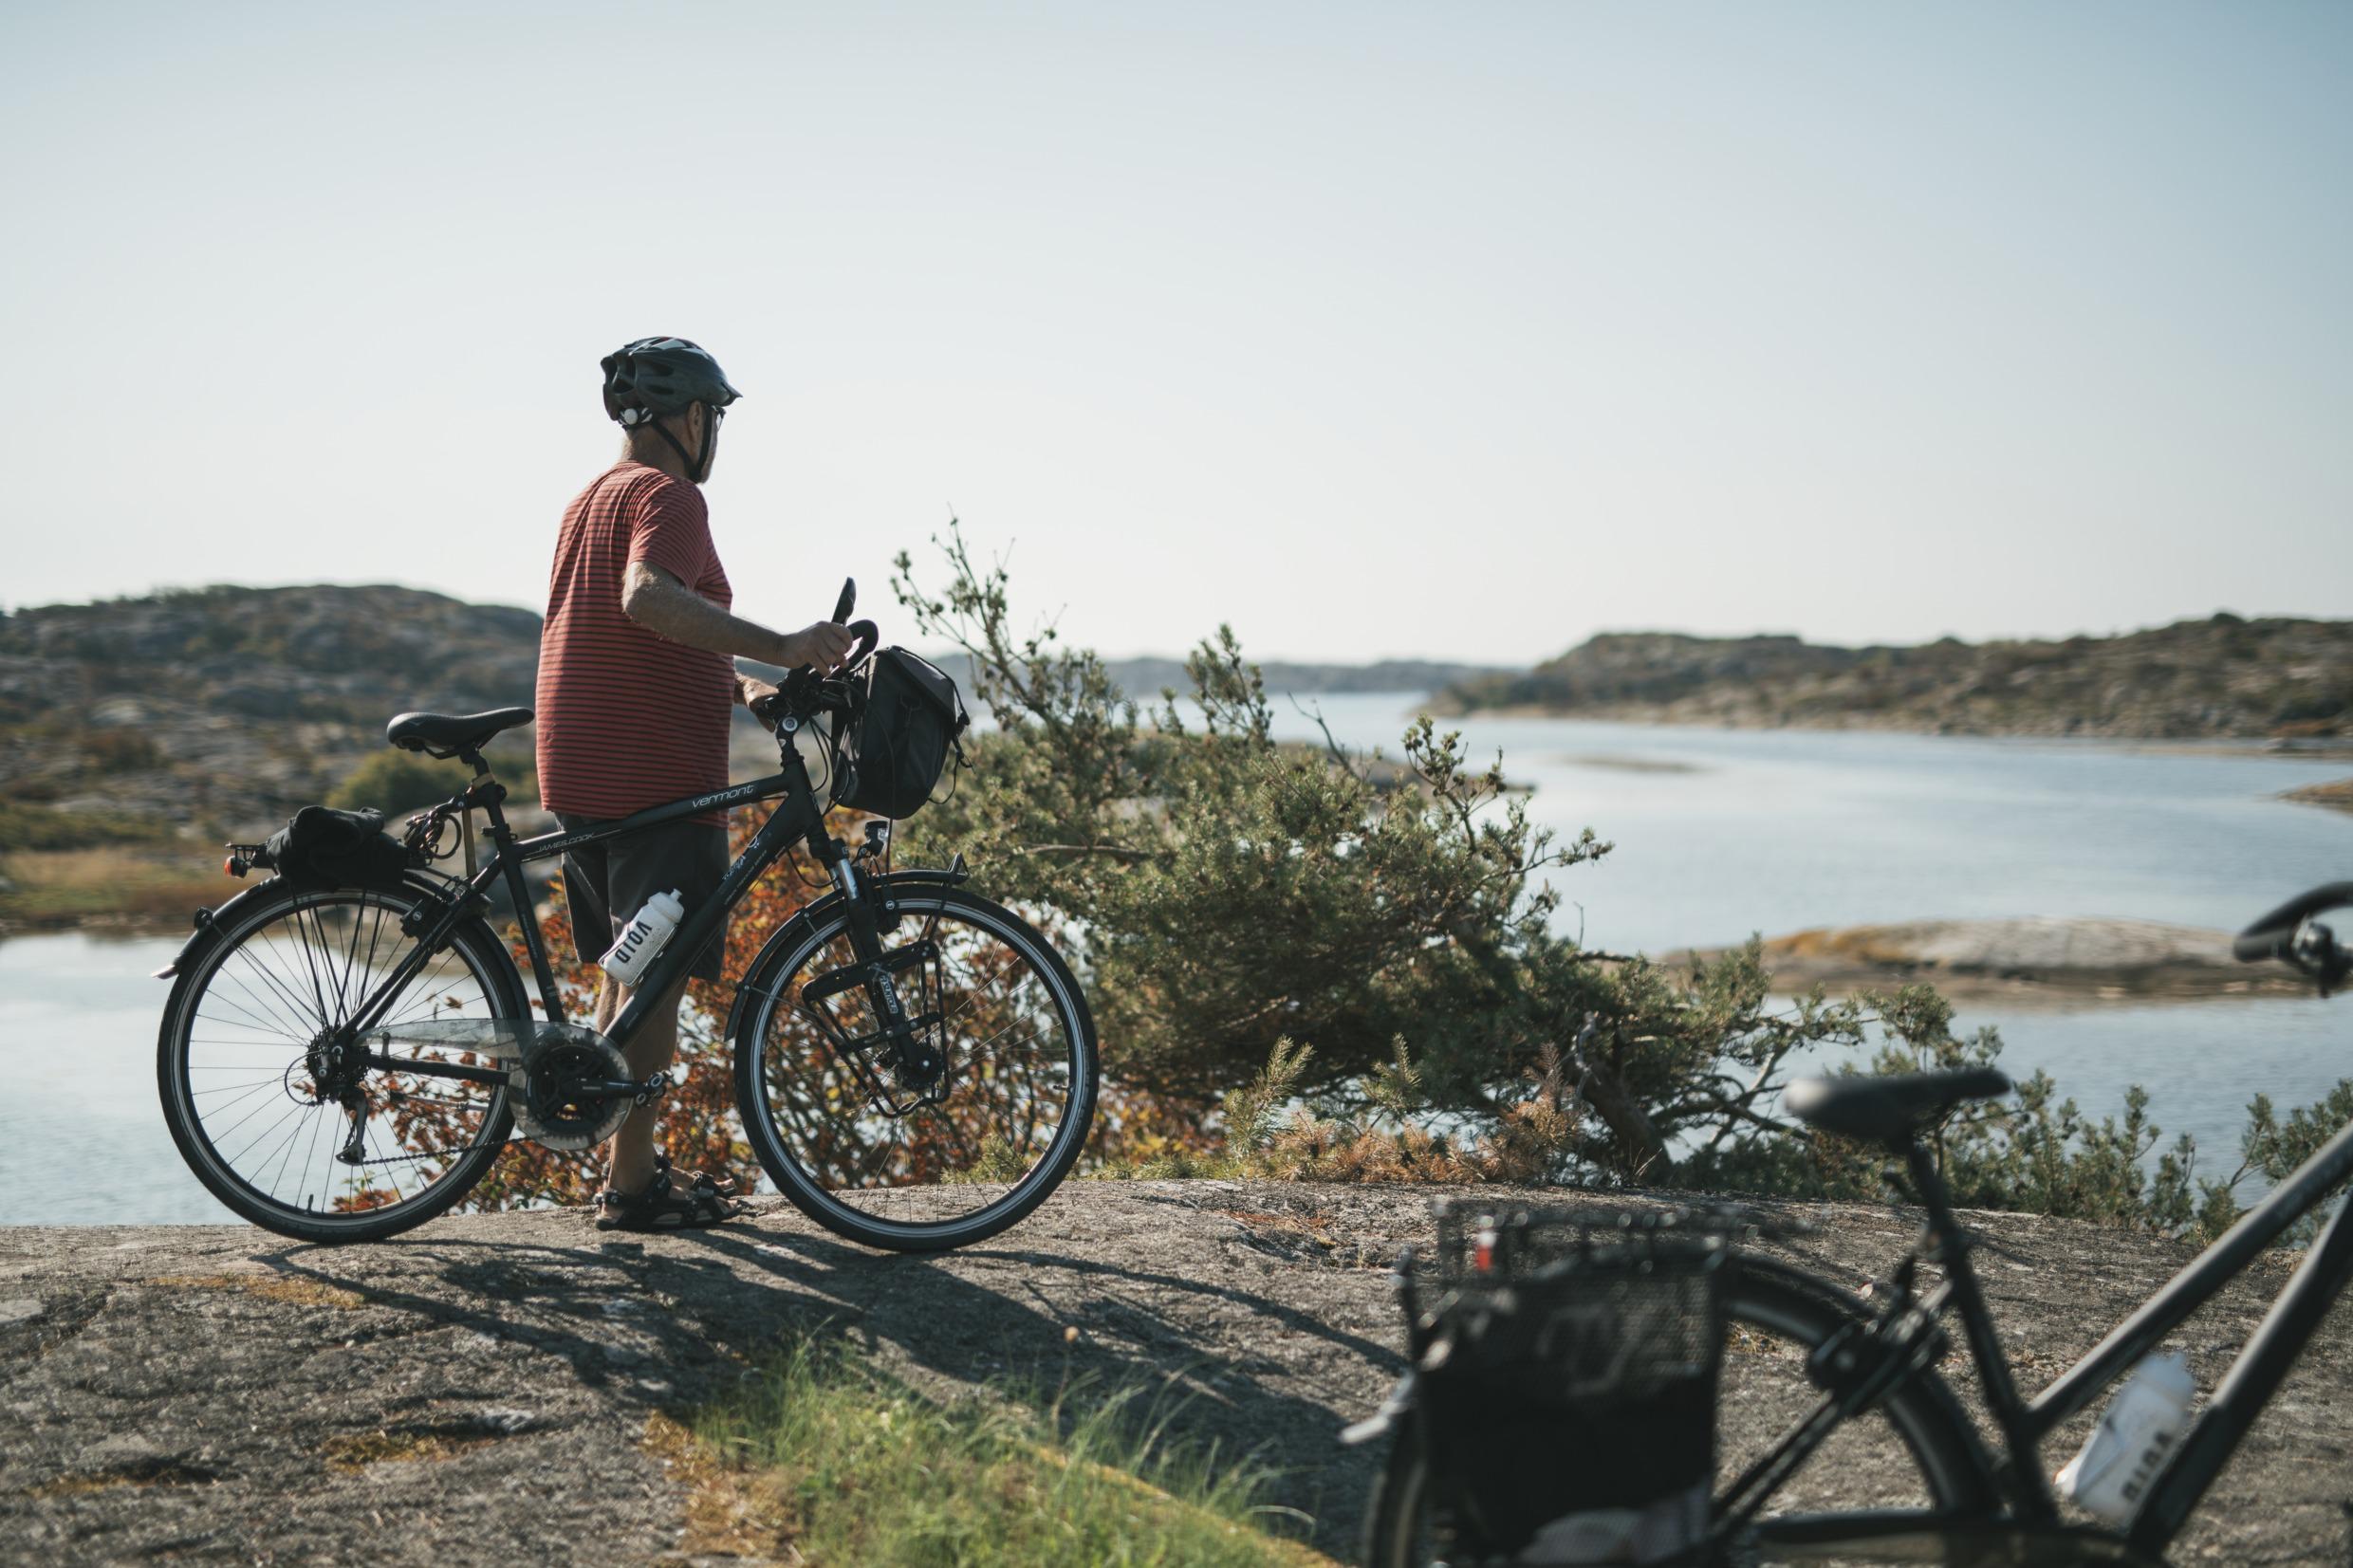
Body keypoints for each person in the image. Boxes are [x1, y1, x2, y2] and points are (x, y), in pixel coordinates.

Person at [534, 337, 854, 1230]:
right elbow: (645, 599)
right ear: (690, 418)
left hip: (581, 763)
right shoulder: (670, 495)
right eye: (714, 415)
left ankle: (618, 1166)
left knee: (625, 965)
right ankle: (632, 1190)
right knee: (660, 978)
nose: (714, 432)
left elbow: (641, 632)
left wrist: (747, 683)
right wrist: (785, 646)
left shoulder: (588, 498)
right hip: (652, 773)